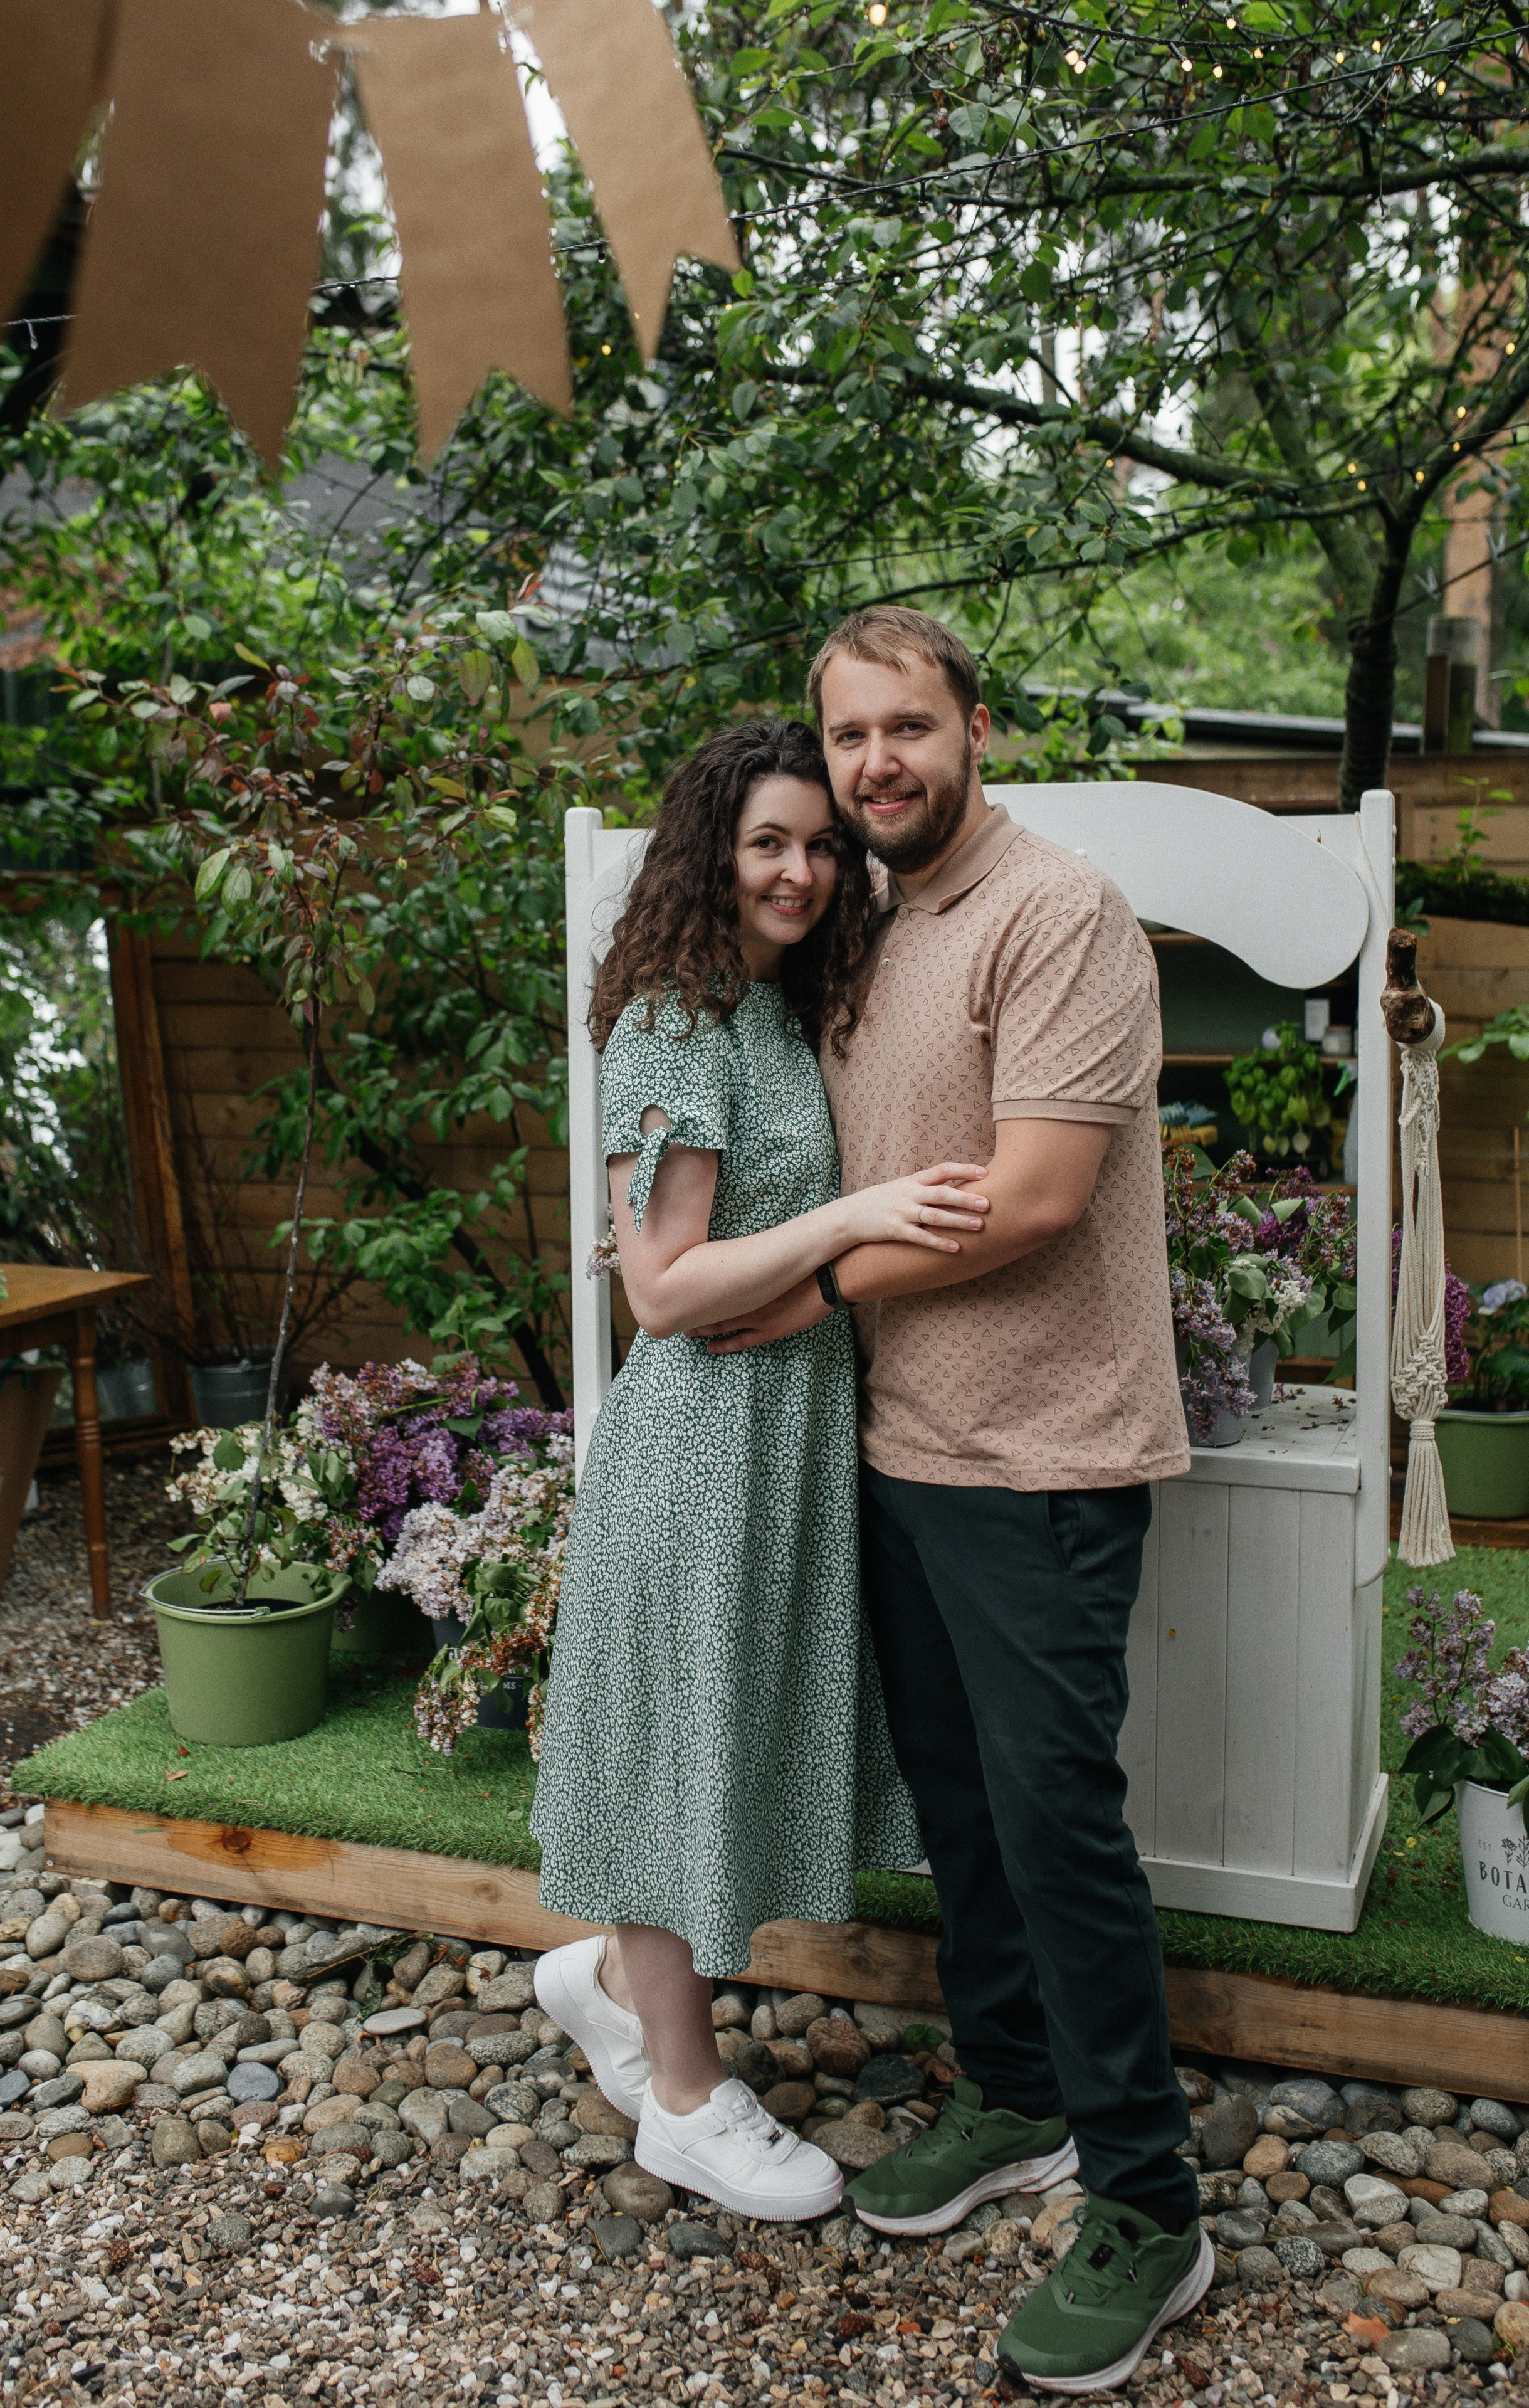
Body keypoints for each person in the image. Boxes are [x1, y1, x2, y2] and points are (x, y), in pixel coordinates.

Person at [694, 608, 1211, 2394]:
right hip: (901, 1448)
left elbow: (1045, 1196)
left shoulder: (1059, 915)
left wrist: (808, 1292)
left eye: (909, 726)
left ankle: (1150, 2200)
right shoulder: (872, 924)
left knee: (1057, 1822)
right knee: (967, 1816)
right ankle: (1016, 2094)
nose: (878, 765)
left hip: (1048, 1453)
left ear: (975, 726)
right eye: (850, 740)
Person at [530, 714, 990, 2223]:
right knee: (682, 1763)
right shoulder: (671, 1018)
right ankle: (679, 2094)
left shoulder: (779, 1008)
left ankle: (606, 1979)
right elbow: (659, 1291)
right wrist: (855, 1223)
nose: (797, 871)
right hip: (699, 1448)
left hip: (788, 1435)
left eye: (817, 844)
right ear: (708, 857)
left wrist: (830, 1232)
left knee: (726, 1741)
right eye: (765, 843)